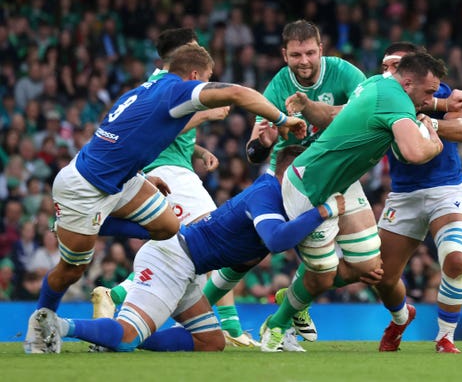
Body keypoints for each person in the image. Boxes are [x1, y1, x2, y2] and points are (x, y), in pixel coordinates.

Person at [24, 43, 307, 354]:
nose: (208, 83)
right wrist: (283, 120)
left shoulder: (148, 88)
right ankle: (43, 322)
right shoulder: (177, 92)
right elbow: (239, 94)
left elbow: (129, 133)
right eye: (208, 78)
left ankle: (90, 228)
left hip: (121, 179)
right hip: (85, 187)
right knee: (72, 269)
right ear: (195, 75)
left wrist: (139, 174)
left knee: (168, 226)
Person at [31, 145, 345, 353]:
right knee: (127, 338)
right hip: (172, 259)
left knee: (210, 341)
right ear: (292, 173)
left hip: (188, 266)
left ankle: (110, 335)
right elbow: (276, 240)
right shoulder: (266, 193)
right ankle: (59, 325)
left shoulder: (284, 199)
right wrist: (322, 213)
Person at [259, 52, 445, 352]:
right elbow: (412, 153)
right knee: (320, 279)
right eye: (429, 92)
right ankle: (277, 325)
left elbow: (336, 115)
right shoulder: (396, 100)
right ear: (408, 83)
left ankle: (296, 294)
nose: (429, 100)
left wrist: (308, 106)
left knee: (368, 265)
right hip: (310, 185)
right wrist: (433, 143)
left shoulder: (374, 84)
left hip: (343, 183)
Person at [90, 27, 258, 348]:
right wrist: (206, 114)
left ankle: (228, 329)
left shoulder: (162, 83)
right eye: (194, 48)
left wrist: (197, 150)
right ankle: (117, 293)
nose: (201, 52)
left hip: (175, 166)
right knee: (216, 235)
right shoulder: (171, 85)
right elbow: (165, 124)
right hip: (166, 171)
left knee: (197, 247)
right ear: (179, 56)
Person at [231, 19, 367, 342]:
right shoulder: (277, 88)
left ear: (321, 50)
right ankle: (280, 318)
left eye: (309, 53)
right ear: (284, 55)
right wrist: (263, 143)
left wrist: (317, 110)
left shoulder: (344, 73)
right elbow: (252, 152)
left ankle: (292, 297)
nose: (303, 61)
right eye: (295, 55)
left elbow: (368, 111)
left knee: (366, 265)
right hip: (293, 178)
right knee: (257, 254)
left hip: (338, 171)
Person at [374, 42, 462, 354]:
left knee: (456, 259)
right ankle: (401, 318)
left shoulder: (438, 90)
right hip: (403, 195)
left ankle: (445, 337)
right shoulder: (376, 95)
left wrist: (431, 122)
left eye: (397, 66)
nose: (391, 73)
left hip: (447, 188)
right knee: (382, 276)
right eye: (387, 66)